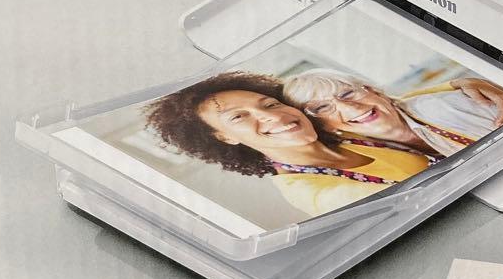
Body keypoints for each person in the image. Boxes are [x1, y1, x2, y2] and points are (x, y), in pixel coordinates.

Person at [144, 72, 436, 217]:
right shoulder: (312, 192)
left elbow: (400, 107)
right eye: (239, 117)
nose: (272, 117)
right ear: (225, 137)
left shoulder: (339, 132)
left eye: (269, 104)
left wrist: (458, 85)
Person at [282, 68, 503, 157]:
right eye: (322, 108)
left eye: (348, 93)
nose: (350, 108)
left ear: (374, 91)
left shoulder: (448, 106)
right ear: (324, 126)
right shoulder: (368, 156)